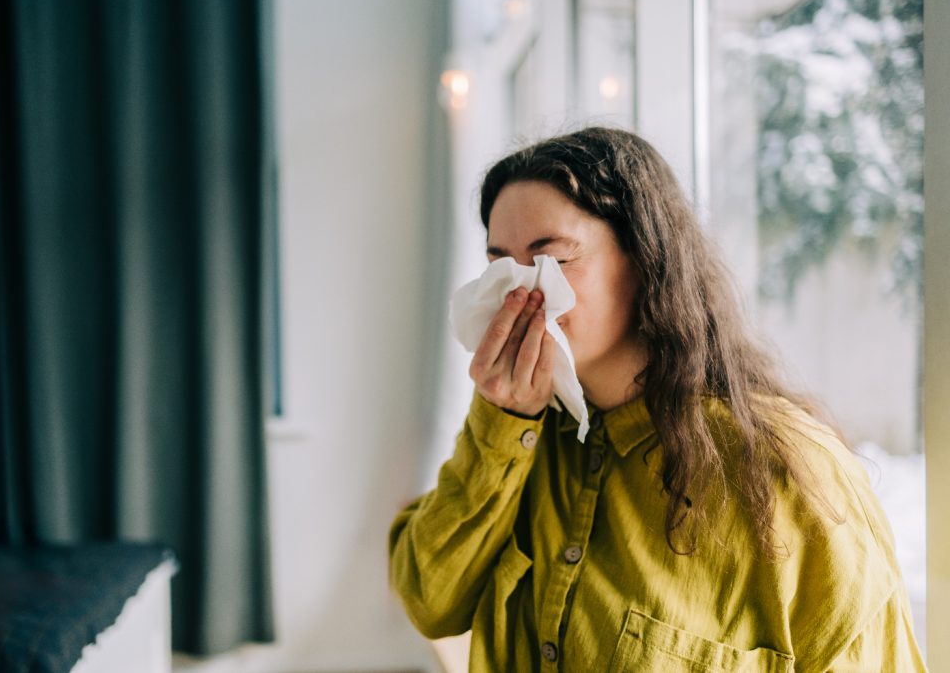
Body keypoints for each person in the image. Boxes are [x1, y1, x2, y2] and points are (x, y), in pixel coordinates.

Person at [388, 127, 927, 671]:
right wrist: (503, 419)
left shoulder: (788, 471)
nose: (519, 292)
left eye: (552, 259)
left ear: (645, 262)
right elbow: (430, 599)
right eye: (500, 263)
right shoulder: (525, 435)